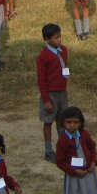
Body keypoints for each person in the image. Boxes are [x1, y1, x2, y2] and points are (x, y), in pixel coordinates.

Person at [36, 23, 70, 160]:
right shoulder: (43, 57)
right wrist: (46, 100)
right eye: (56, 38)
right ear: (47, 39)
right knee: (48, 121)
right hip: (50, 94)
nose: (60, 40)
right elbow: (41, 80)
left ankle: (62, 148)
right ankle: (49, 150)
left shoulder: (64, 50)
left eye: (60, 36)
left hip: (62, 92)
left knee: (62, 120)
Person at [56, 106, 97, 194]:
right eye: (69, 122)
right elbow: (60, 162)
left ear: (81, 123)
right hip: (74, 176)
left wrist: (93, 161)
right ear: (63, 122)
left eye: (76, 122)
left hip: (88, 173)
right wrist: (75, 171)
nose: (72, 125)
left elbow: (92, 148)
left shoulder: (85, 134)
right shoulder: (62, 141)